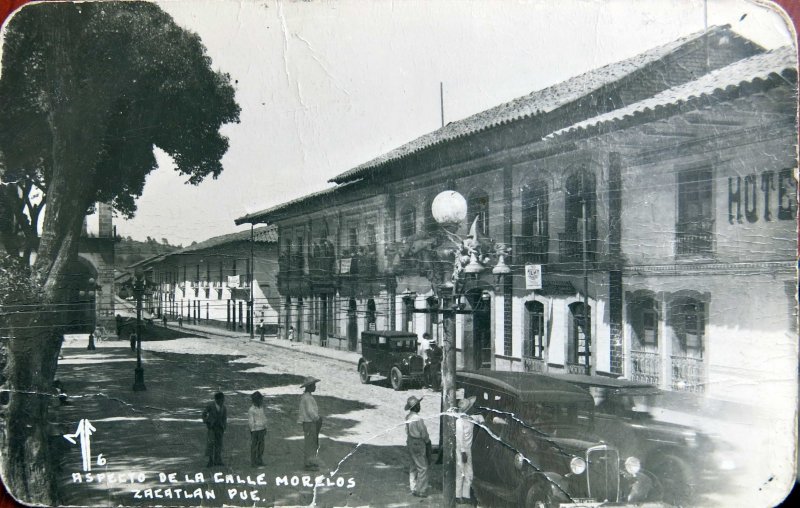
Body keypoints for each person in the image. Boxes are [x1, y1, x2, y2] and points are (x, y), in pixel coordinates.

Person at [456, 396, 485, 505]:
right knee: (460, 471)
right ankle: (457, 495)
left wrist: (482, 421)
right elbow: (459, 438)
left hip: (468, 449)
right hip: (461, 449)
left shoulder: (470, 418)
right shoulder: (460, 421)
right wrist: (463, 452)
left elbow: (480, 417)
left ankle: (465, 495)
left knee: (469, 473)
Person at [404, 395, 431, 498]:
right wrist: (427, 441)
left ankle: (413, 487)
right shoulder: (418, 419)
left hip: (410, 440)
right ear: (414, 407)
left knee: (413, 465)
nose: (419, 406)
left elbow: (407, 431)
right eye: (418, 405)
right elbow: (423, 433)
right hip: (418, 442)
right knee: (423, 467)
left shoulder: (408, 417)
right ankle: (421, 490)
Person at [297, 377, 322, 470]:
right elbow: (310, 411)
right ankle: (308, 463)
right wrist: (317, 418)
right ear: (309, 386)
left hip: (310, 422)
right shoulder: (307, 398)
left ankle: (311, 461)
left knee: (312, 443)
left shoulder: (308, 397)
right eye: (313, 385)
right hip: (309, 422)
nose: (315, 387)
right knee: (310, 444)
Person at [202, 392, 227, 467]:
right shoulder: (210, 406)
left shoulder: (224, 407)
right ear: (217, 400)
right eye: (221, 400)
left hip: (220, 428)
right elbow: (204, 414)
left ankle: (218, 460)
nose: (222, 401)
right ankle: (210, 460)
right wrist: (206, 421)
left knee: (219, 444)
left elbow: (224, 418)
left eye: (223, 400)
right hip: (212, 427)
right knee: (210, 444)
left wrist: (224, 426)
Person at [248, 391, 267, 466]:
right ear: (255, 400)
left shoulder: (261, 408)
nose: (261, 401)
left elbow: (263, 417)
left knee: (261, 446)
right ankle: (253, 461)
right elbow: (251, 421)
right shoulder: (251, 410)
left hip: (262, 429)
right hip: (255, 430)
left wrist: (265, 427)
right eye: (259, 399)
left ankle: (259, 459)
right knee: (254, 446)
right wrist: (252, 430)